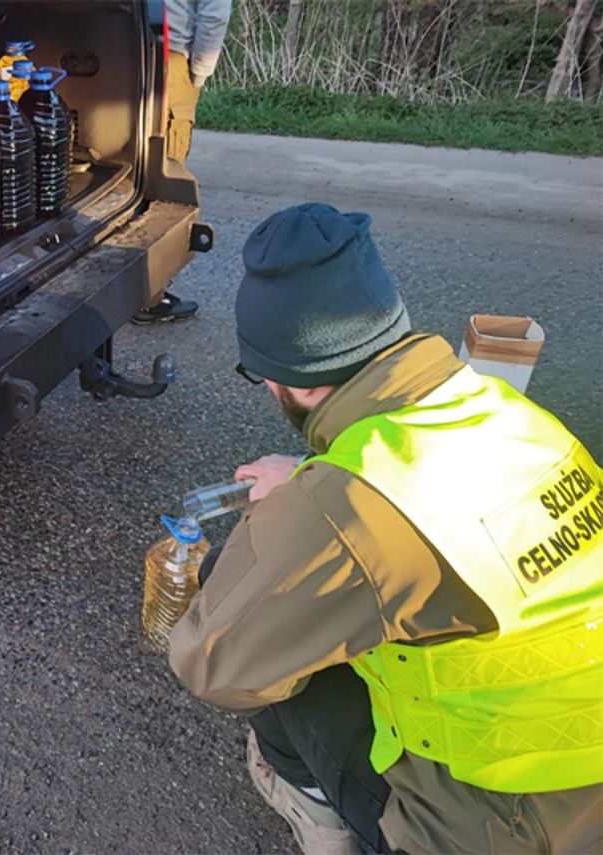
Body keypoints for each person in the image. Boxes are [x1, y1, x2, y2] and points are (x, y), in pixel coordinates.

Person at [168, 203, 603, 854]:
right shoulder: (509, 414)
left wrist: (294, 517)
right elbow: (433, 499)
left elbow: (210, 666)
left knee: (264, 632)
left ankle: (322, 818)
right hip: (574, 766)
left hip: (507, 831)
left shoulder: (349, 507)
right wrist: (316, 476)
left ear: (289, 381)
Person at [132, 0, 232, 325]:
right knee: (164, 176)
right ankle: (149, 297)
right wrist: (198, 74)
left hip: (114, 48)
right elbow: (214, 13)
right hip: (167, 55)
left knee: (121, 173)